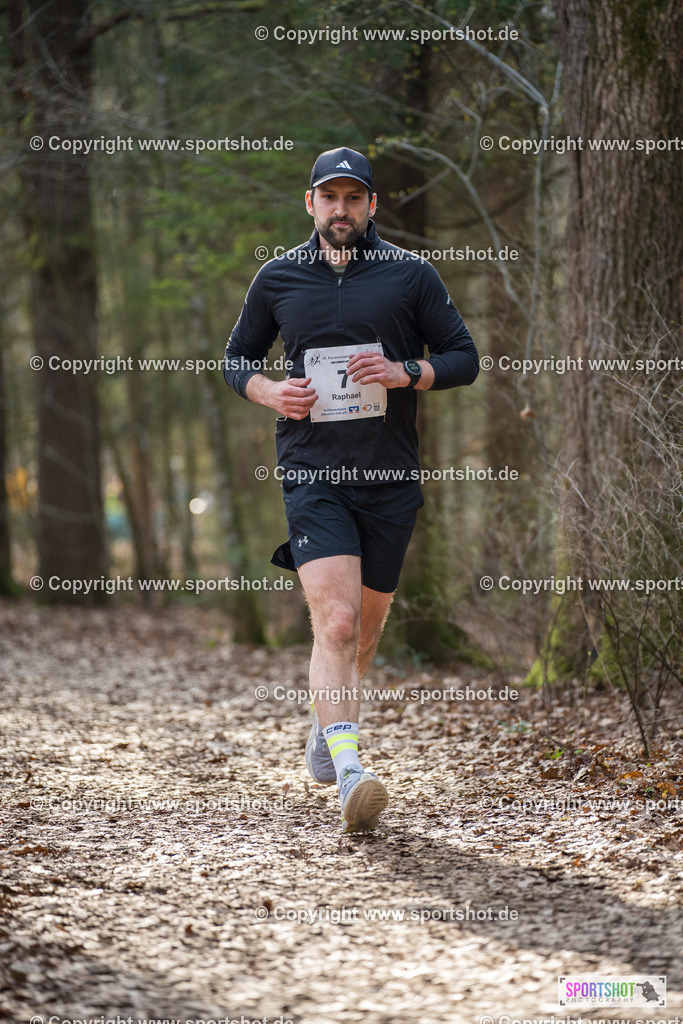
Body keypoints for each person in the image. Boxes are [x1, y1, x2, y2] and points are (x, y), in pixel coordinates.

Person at [224, 147, 478, 833]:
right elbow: (236, 358)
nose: (340, 210)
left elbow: (464, 359)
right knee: (333, 621)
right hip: (312, 472)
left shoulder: (409, 276)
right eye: (328, 198)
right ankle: (351, 772)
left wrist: (405, 372)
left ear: (371, 205)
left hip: (389, 475)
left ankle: (326, 726)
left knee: (363, 630)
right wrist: (271, 390)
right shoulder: (278, 277)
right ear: (310, 204)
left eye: (353, 198)